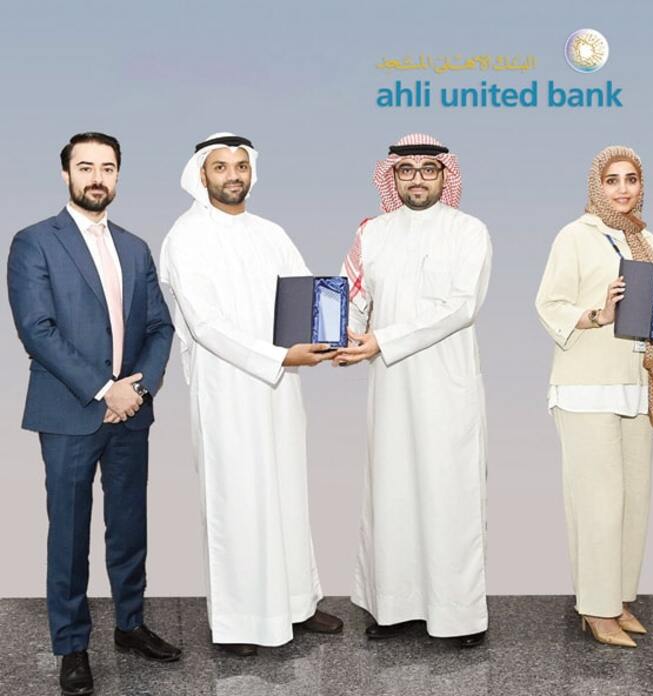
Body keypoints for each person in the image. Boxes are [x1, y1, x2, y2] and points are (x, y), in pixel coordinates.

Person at [7, 132, 180, 695]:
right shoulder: (34, 242)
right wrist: (105, 390)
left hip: (131, 412)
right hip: (69, 412)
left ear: (118, 175)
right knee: (69, 532)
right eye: (85, 167)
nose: (96, 177)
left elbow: (159, 326)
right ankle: (71, 646)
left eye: (107, 167)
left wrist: (138, 390)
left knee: (129, 525)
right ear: (65, 175)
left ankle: (130, 624)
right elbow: (37, 330)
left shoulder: (135, 246)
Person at [159, 133, 342, 657]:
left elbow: (307, 292)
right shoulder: (186, 237)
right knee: (238, 500)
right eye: (221, 167)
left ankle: (297, 604)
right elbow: (205, 325)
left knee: (286, 492)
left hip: (281, 387)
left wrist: (333, 334)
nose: (233, 175)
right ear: (201, 174)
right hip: (228, 390)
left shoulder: (270, 233)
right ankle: (239, 622)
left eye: (241, 166)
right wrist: (279, 356)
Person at [335, 133, 491, 648]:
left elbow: (460, 307)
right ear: (392, 177)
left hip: (447, 386)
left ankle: (459, 616)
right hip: (391, 388)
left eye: (428, 169)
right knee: (392, 493)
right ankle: (393, 608)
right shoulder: (372, 233)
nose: (417, 179)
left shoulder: (469, 231)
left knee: (450, 497)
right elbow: (353, 299)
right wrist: (340, 336)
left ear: (445, 175)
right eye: (406, 171)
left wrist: (382, 339)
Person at [535, 145, 653, 649]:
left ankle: (619, 598)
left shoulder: (649, 240)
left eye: (631, 178)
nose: (623, 189)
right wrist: (597, 314)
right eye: (612, 180)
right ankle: (595, 607)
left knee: (634, 500)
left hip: (637, 385)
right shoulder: (575, 236)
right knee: (598, 503)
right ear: (597, 185)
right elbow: (548, 304)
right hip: (586, 386)